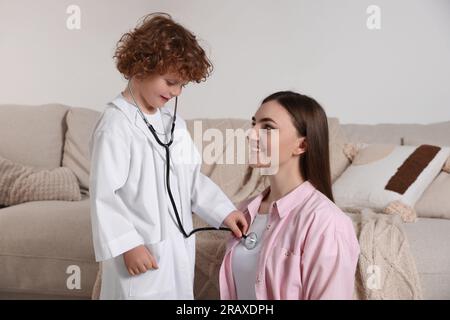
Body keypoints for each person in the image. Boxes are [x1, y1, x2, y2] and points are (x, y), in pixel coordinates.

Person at [89, 13, 247, 300]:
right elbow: (105, 195)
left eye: (182, 86)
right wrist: (127, 245)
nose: (176, 92)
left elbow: (191, 179)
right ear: (140, 67)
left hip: (175, 248)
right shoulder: (115, 126)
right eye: (171, 82)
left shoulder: (172, 124)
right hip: (140, 248)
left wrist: (224, 211)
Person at [219, 91, 360, 300]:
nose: (250, 134)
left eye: (267, 127)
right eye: (253, 124)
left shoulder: (327, 223)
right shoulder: (244, 211)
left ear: (301, 145)